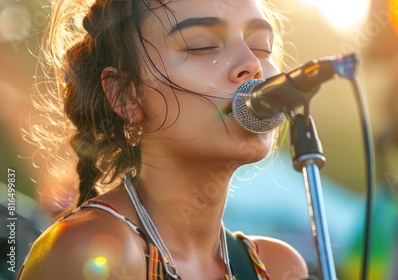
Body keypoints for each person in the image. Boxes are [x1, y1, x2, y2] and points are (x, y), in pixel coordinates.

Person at [17, 0, 309, 279]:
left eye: (261, 46)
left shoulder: (276, 266)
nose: (251, 64)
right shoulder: (91, 250)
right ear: (126, 95)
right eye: (202, 45)